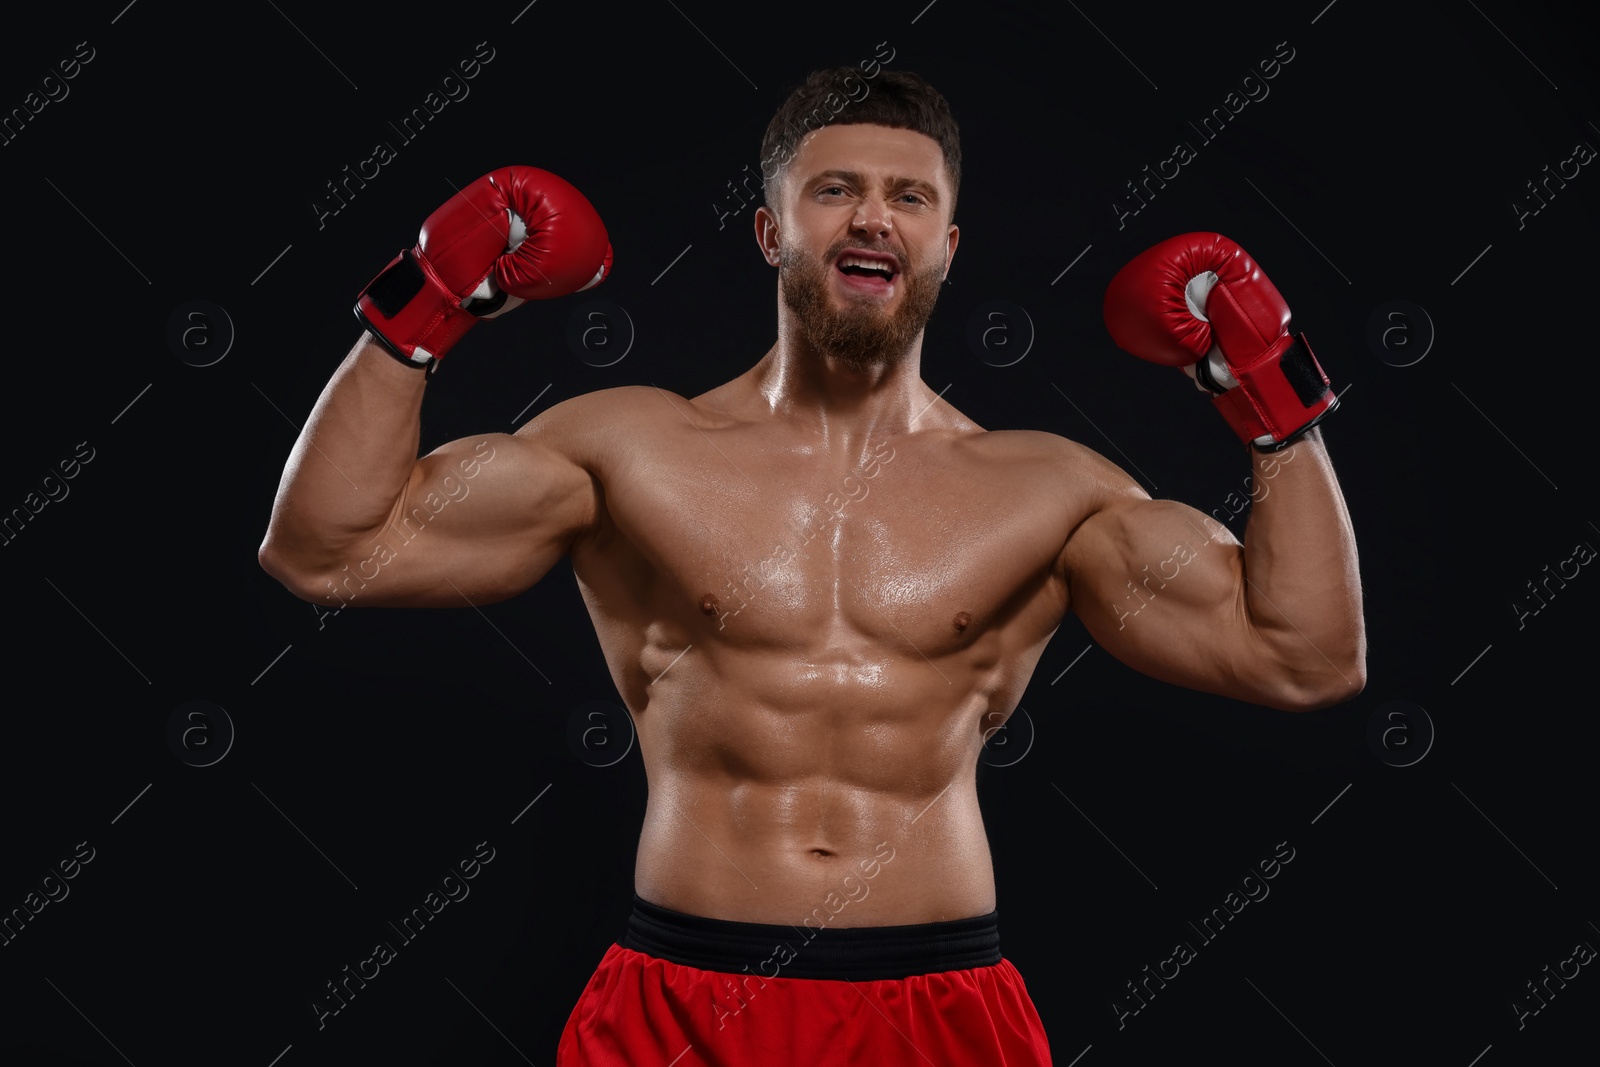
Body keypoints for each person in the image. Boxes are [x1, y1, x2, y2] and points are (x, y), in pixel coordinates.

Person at [259, 66, 1365, 1066]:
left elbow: (1302, 655)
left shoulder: (1051, 489)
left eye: (909, 196)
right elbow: (328, 546)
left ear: (946, 246)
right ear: (769, 232)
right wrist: (426, 296)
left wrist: (1273, 395)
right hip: (679, 1002)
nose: (873, 214)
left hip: (936, 1009)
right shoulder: (628, 450)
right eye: (834, 189)